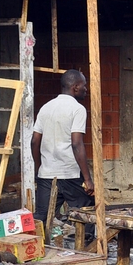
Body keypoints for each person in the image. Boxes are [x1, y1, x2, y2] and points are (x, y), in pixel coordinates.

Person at [32, 69, 95, 223]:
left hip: (47, 174)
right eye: (84, 86)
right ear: (75, 87)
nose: (86, 89)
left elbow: (34, 141)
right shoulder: (78, 109)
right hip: (70, 173)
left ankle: (39, 247)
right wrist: (87, 179)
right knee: (85, 216)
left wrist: (40, 167)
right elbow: (76, 143)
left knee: (42, 219)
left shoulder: (45, 107)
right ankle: (85, 245)